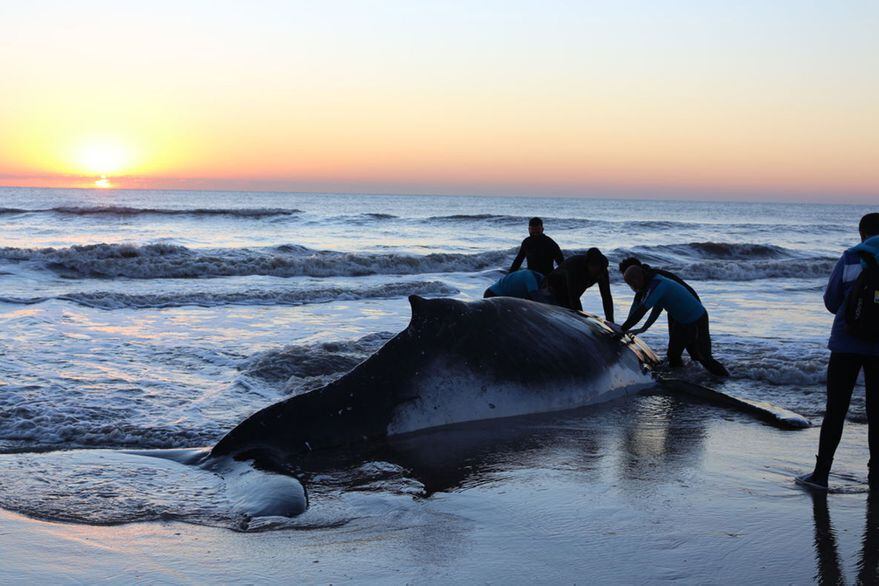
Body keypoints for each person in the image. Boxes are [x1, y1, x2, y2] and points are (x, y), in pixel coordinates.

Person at [797, 213, 879, 491]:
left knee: (835, 410)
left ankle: (821, 474)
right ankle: (876, 478)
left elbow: (832, 302)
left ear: (862, 234)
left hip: (846, 344)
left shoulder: (852, 258)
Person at [620, 264, 729, 376]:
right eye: (630, 285)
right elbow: (656, 310)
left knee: (704, 357)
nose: (633, 288)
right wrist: (643, 328)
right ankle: (680, 378)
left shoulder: (657, 284)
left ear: (639, 277)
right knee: (673, 355)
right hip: (681, 321)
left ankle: (725, 379)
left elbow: (641, 311)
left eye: (633, 283)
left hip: (696, 319)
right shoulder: (651, 283)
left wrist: (622, 329)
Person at [619, 257, 699, 361]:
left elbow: (645, 309)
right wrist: (631, 327)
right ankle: (691, 369)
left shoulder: (653, 281)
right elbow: (639, 304)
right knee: (681, 345)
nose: (631, 283)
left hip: (687, 307)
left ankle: (686, 371)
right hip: (681, 307)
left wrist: (624, 329)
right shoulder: (647, 277)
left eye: (631, 277)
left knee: (682, 346)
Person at [545, 247, 614, 322]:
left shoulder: (602, 271)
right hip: (553, 284)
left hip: (574, 288)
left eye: (598, 268)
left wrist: (610, 322)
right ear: (587, 264)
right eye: (593, 266)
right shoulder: (575, 267)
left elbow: (606, 296)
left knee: (572, 307)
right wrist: (582, 321)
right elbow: (573, 297)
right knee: (567, 306)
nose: (596, 272)